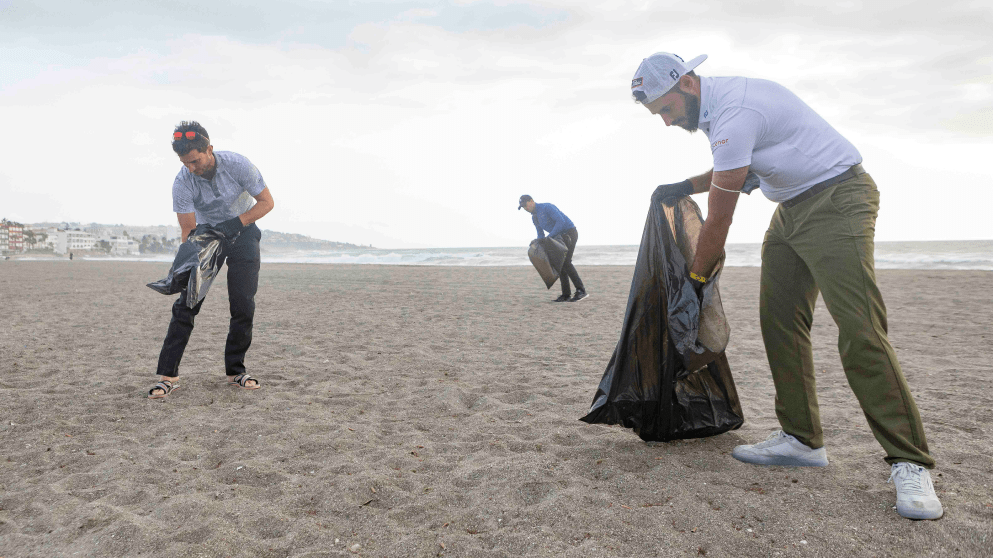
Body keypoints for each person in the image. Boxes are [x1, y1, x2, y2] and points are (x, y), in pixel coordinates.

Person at [631, 52, 942, 520]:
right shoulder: (720, 112)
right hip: (790, 211)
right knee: (779, 321)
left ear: (688, 84)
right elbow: (745, 171)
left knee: (861, 333)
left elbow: (721, 213)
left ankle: (910, 461)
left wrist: (696, 278)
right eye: (658, 115)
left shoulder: (736, 112)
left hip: (838, 199)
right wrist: (683, 185)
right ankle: (801, 439)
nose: (667, 122)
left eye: (667, 109)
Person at [149, 121, 274, 399]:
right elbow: (187, 230)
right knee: (186, 305)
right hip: (206, 237)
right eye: (185, 163)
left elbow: (267, 203)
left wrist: (236, 223)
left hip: (243, 232)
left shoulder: (238, 165)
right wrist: (186, 265)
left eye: (194, 160)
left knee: (242, 304)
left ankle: (236, 371)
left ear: (209, 149)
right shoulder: (182, 182)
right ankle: (168, 376)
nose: (191, 168)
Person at [519, 195, 588, 302]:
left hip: (569, 233)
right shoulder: (535, 217)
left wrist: (549, 237)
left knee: (566, 262)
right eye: (523, 207)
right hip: (557, 237)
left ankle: (581, 291)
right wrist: (537, 242)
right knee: (559, 264)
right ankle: (566, 294)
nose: (525, 209)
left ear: (531, 201)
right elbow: (540, 234)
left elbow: (561, 222)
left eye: (525, 205)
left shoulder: (547, 207)